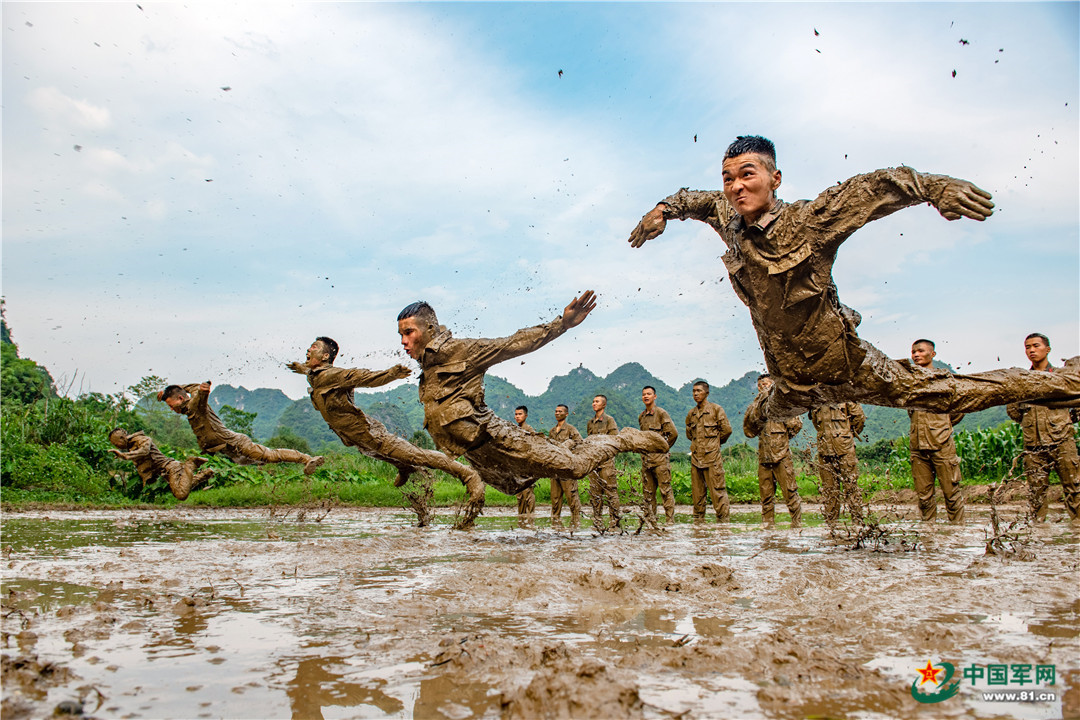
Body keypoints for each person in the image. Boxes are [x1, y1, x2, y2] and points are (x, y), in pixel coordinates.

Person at [627, 135, 1080, 420]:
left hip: (849, 367)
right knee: (757, 420)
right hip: (791, 383)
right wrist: (661, 211)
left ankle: (1069, 382)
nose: (736, 186)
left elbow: (875, 187)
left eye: (748, 175)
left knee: (949, 395)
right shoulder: (727, 216)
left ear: (775, 178)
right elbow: (691, 199)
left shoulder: (810, 221)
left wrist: (935, 188)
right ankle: (764, 408)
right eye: (728, 179)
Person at [396, 292, 669, 511]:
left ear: (430, 329)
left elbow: (513, 343)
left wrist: (561, 324)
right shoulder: (427, 368)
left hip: (498, 439)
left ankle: (624, 439)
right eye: (401, 335)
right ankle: (565, 446)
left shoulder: (461, 351)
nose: (404, 342)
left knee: (574, 468)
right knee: (512, 486)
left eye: (409, 332)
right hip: (479, 454)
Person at [288, 336, 485, 528]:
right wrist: (301, 368)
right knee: (381, 454)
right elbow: (311, 372)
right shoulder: (315, 375)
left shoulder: (333, 375)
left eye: (314, 347)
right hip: (356, 439)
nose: (308, 350)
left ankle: (468, 475)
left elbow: (364, 377)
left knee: (418, 456)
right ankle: (405, 468)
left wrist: (392, 374)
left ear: (325, 357)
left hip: (372, 434)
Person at [159, 382, 325, 474]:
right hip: (227, 451)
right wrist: (173, 389)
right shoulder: (189, 404)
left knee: (270, 455)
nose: (172, 409)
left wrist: (204, 392)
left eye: (171, 405)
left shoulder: (194, 405)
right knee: (258, 463)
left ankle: (307, 459)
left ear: (181, 399)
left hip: (236, 444)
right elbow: (194, 387)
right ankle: (276, 470)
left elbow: (200, 395)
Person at [1006, 334, 1080, 522]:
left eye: (1036, 346)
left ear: (1047, 350)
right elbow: (1013, 409)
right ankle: (1039, 531)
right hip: (1033, 446)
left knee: (1074, 489)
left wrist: (1065, 420)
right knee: (1036, 494)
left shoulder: (1060, 377)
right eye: (1028, 347)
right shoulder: (1022, 381)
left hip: (1062, 442)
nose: (1031, 350)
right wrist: (1029, 423)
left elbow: (1077, 405)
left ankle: (1077, 529)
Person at [907, 340, 966, 523]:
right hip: (918, 446)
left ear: (932, 354)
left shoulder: (944, 380)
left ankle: (958, 531)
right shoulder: (909, 382)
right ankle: (929, 533)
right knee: (924, 497)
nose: (916, 355)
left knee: (951, 493)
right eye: (913, 352)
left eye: (920, 351)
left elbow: (959, 409)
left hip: (942, 445)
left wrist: (942, 425)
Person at [743, 375, 803, 526]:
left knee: (790, 491)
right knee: (766, 496)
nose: (763, 387)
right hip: (764, 456)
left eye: (766, 384)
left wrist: (783, 439)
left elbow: (795, 425)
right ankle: (768, 525)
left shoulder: (783, 403)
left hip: (782, 455)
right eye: (760, 385)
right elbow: (748, 430)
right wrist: (758, 408)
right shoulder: (755, 406)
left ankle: (797, 524)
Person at [108, 427, 213, 501]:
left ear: (122, 438)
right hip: (165, 472)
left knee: (181, 494)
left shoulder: (141, 439)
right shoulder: (130, 446)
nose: (117, 446)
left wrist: (124, 456)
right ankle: (205, 474)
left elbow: (144, 451)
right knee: (182, 489)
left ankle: (191, 464)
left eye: (116, 443)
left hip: (171, 467)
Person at [684, 380, 734, 522]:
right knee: (697, 495)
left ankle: (723, 524)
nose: (695, 394)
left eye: (699, 391)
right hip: (696, 459)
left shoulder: (716, 410)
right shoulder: (691, 414)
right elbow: (689, 435)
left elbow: (726, 430)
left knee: (718, 492)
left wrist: (714, 444)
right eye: (694, 391)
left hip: (712, 458)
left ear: (706, 393)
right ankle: (698, 525)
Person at [810, 402, 866, 524]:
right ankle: (832, 525)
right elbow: (816, 423)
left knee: (851, 486)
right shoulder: (816, 399)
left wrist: (846, 435)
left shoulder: (845, 397)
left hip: (845, 449)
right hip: (824, 450)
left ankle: (857, 522)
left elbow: (859, 418)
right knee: (829, 490)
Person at [638, 386, 679, 525]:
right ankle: (650, 521)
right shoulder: (642, 416)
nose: (646, 396)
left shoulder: (661, 413)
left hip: (660, 460)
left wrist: (664, 448)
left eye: (649, 394)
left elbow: (673, 433)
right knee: (648, 493)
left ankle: (669, 521)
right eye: (644, 394)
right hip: (646, 460)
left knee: (665, 491)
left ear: (654, 396)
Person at [587, 394, 623, 531]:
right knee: (595, 493)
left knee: (611, 492)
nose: (594, 403)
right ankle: (597, 521)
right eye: (593, 401)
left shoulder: (609, 420)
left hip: (606, 462)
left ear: (604, 404)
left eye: (597, 401)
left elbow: (615, 440)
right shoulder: (590, 423)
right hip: (594, 463)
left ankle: (614, 522)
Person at [548, 404, 584, 529]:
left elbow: (580, 442)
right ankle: (555, 524)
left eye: (560, 411)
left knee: (571, 496)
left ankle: (576, 523)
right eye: (556, 411)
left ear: (566, 414)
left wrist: (569, 445)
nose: (557, 413)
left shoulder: (571, 429)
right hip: (554, 469)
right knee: (555, 498)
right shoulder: (552, 431)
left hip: (567, 469)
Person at [513, 406, 537, 529]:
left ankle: (530, 519)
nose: (517, 416)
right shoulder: (515, 430)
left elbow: (533, 447)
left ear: (525, 416)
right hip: (517, 466)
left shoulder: (529, 430)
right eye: (516, 414)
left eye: (520, 414)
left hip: (527, 466)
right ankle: (521, 520)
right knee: (519, 495)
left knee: (528, 493)